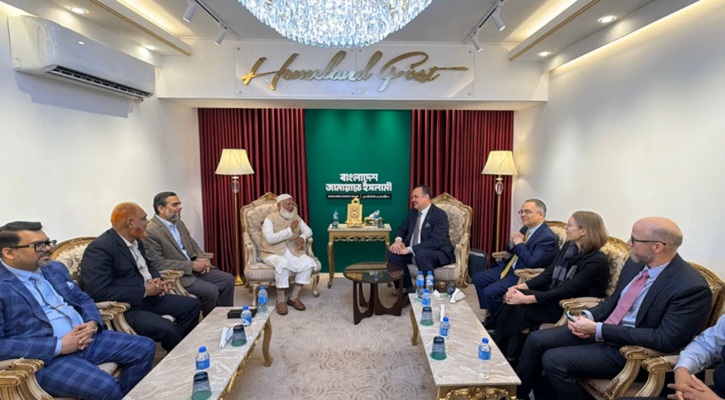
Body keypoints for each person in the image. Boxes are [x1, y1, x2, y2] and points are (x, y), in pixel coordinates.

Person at [515, 217, 713, 400]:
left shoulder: (690, 287)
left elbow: (664, 339)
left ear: (658, 247)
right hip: (604, 330)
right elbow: (614, 301)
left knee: (554, 360)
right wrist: (588, 316)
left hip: (631, 352)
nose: (628, 244)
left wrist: (599, 329)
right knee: (536, 340)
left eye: (634, 239)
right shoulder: (636, 263)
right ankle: (516, 395)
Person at [0, 221, 156, 399]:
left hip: (86, 338)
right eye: (39, 245)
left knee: (145, 347)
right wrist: (59, 346)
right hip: (46, 358)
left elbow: (82, 298)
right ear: (9, 252)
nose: (49, 249)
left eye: (48, 243)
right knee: (105, 387)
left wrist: (91, 323)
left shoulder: (53, 268)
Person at [491, 211, 610, 363]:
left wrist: (527, 299)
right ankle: (503, 348)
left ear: (583, 231)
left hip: (569, 306)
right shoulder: (569, 246)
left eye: (570, 225)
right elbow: (548, 274)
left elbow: (567, 290)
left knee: (520, 308)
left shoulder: (597, 261)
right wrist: (520, 287)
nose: (566, 228)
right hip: (553, 295)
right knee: (513, 299)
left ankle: (504, 350)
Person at [80, 202, 201, 352]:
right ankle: (180, 354)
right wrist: (144, 291)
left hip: (148, 299)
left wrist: (157, 280)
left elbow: (149, 265)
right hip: (125, 307)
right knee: (167, 328)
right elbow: (97, 291)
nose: (147, 222)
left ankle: (178, 348)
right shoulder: (100, 249)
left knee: (192, 305)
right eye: (143, 218)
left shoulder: (136, 240)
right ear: (130, 223)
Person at [142, 191, 235, 316]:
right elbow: (158, 263)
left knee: (228, 279)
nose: (180, 207)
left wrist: (202, 258)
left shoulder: (179, 223)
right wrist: (191, 266)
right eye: (175, 205)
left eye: (179, 204)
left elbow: (192, 243)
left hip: (195, 269)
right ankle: (211, 323)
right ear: (161, 209)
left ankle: (226, 317)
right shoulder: (150, 230)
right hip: (178, 275)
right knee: (210, 291)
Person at [473, 199, 559, 328]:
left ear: (540, 215)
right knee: (478, 278)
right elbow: (510, 249)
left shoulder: (547, 238)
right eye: (521, 211)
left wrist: (519, 244)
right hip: (509, 268)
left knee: (490, 292)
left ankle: (498, 325)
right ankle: (493, 314)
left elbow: (532, 262)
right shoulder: (526, 228)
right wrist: (513, 243)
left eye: (527, 212)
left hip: (522, 274)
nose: (523, 215)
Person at [386, 184, 455, 297]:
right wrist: (398, 241)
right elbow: (402, 229)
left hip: (437, 252)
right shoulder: (413, 213)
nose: (413, 200)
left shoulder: (439, 215)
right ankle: (406, 289)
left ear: (426, 197)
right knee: (392, 253)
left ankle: (427, 291)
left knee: (421, 254)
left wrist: (409, 249)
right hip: (415, 251)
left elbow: (436, 241)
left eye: (416, 197)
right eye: (412, 197)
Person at [261, 193, 317, 315]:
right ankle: (281, 300)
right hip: (273, 252)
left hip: (293, 251)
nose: (291, 206)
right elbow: (270, 239)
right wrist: (290, 230)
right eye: (288, 204)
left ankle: (293, 297)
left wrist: (302, 237)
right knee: (282, 264)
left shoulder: (296, 217)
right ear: (279, 205)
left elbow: (308, 230)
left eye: (292, 203)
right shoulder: (269, 219)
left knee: (308, 263)